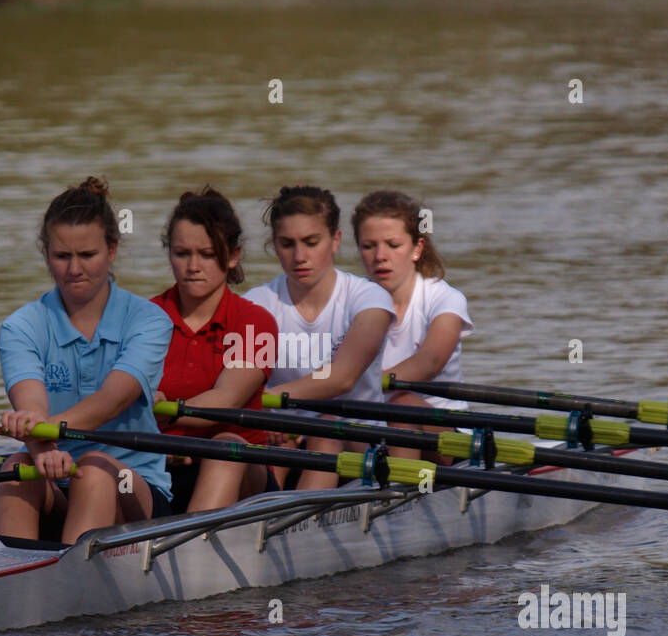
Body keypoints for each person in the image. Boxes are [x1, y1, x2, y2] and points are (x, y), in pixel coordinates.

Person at [0, 177, 173, 545]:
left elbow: (112, 401)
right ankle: (5, 580)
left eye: (87, 255)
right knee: (16, 468)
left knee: (92, 468)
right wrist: (40, 443)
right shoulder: (21, 326)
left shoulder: (149, 320)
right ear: (46, 255)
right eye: (62, 256)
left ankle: (68, 589)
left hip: (132, 486)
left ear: (112, 250)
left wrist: (45, 433)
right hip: (55, 481)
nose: (74, 269)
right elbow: (31, 404)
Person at [244, 185, 394, 490]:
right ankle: (261, 520)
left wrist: (266, 403)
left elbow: (340, 378)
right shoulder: (256, 303)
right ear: (274, 244)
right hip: (282, 436)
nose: (299, 256)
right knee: (274, 443)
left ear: (335, 240)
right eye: (287, 244)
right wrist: (270, 416)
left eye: (311, 242)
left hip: (358, 443)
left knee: (325, 429)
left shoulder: (369, 299)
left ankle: (294, 525)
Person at [151, 187, 282, 512]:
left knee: (225, 446)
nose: (193, 266)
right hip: (156, 468)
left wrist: (161, 415)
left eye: (207, 255)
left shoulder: (256, 322)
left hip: (240, 474)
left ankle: (191, 552)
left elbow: (226, 401)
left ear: (233, 255)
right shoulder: (143, 318)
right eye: (182, 254)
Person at [353, 189, 472, 461]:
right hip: (374, 428)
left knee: (402, 403)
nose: (379, 256)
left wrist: (351, 382)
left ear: (417, 249)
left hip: (446, 439)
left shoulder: (444, 299)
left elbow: (429, 361)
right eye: (368, 246)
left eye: (393, 245)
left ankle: (395, 498)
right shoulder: (351, 301)